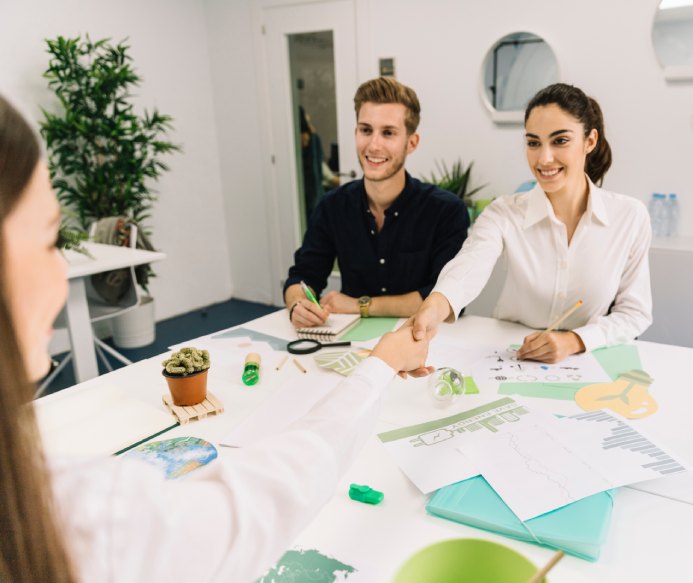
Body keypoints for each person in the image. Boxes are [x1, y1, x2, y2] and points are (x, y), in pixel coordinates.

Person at [0, 94, 433, 582]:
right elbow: (255, 500)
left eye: (388, 132)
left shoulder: (440, 209)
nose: (63, 279)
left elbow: (437, 298)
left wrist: (361, 312)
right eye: (47, 241)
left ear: (411, 141)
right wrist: (302, 306)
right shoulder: (80, 513)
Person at [409, 83, 652, 363]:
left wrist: (575, 340)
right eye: (534, 142)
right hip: (512, 359)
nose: (544, 158)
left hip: (586, 362)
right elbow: (469, 266)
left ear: (590, 141)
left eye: (560, 141)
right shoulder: (504, 212)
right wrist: (435, 306)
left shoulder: (630, 217)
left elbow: (634, 313)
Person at [284, 77, 470, 329]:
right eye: (366, 130)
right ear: (356, 133)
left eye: (388, 133)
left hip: (426, 340)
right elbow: (303, 276)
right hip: (349, 342)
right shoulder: (332, 206)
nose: (373, 145)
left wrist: (361, 305)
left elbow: (445, 297)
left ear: (411, 143)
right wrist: (297, 304)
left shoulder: (446, 211)